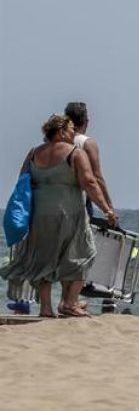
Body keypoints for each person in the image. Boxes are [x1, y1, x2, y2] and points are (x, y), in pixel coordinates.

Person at [0, 115, 117, 318]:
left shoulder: (35, 153)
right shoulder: (76, 153)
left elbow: (23, 178)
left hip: (40, 215)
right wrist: (106, 209)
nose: (74, 133)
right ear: (61, 131)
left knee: (44, 260)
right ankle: (70, 303)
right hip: (70, 214)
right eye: (71, 129)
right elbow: (89, 182)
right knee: (85, 255)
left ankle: (46, 308)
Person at [63, 102, 116, 224]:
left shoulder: (56, 142)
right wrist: (109, 209)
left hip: (54, 201)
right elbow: (96, 178)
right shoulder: (87, 143)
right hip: (79, 201)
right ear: (86, 121)